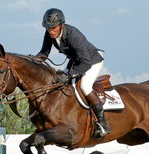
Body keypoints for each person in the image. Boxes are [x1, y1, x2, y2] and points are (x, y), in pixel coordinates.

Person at [36, 8, 110, 138]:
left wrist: (69, 75)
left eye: (53, 28)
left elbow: (86, 63)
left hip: (92, 61)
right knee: (58, 83)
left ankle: (103, 123)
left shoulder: (73, 35)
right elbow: (44, 52)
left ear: (61, 25)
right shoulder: (49, 33)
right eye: (48, 28)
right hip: (76, 61)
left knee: (84, 87)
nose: (51, 31)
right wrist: (34, 60)